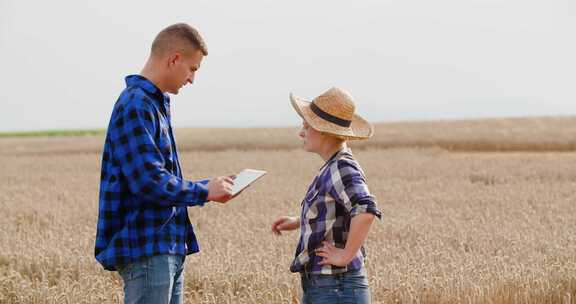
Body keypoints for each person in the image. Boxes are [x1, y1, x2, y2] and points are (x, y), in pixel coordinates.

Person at [95, 23, 237, 304]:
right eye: (192, 69)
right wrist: (205, 191)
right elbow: (149, 182)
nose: (192, 79)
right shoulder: (136, 104)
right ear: (173, 59)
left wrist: (209, 187)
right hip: (147, 247)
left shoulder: (153, 104)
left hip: (165, 246)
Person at [271, 87, 382, 303]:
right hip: (329, 285)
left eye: (305, 126)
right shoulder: (333, 166)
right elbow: (338, 211)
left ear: (323, 131)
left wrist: (345, 255)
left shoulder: (341, 166)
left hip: (336, 286)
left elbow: (365, 209)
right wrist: (298, 222)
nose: (301, 133)